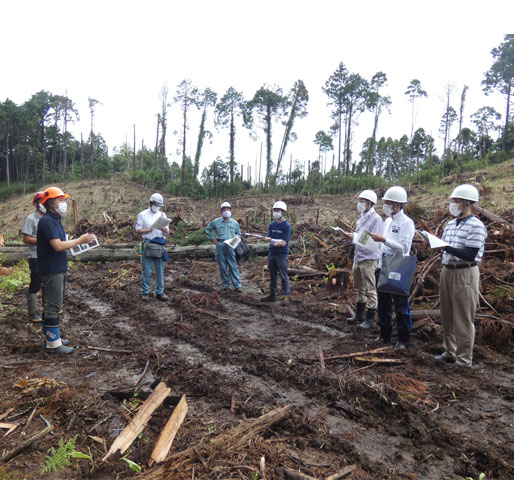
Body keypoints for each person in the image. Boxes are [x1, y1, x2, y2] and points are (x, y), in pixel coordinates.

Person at [37, 187, 96, 354]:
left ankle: (52, 338)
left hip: (57, 267)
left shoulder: (55, 220)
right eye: (60, 200)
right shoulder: (47, 221)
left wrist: (77, 242)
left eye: (64, 200)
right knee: (53, 306)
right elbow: (57, 246)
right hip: (51, 269)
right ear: (50, 203)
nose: (64, 203)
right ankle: (53, 344)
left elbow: (62, 242)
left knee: (53, 304)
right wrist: (80, 240)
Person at [434, 184, 487, 367]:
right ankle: (450, 351)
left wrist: (445, 247)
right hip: (447, 270)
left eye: (456, 201)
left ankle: (464, 358)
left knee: (463, 316)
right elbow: (447, 249)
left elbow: (470, 254)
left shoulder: (476, 226)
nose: (453, 205)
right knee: (447, 314)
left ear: (467, 203)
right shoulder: (450, 224)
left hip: (465, 272)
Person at [370, 186, 415, 349]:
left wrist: (384, 240)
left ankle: (403, 339)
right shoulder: (388, 221)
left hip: (398, 268)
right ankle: (384, 334)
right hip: (383, 266)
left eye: (389, 203)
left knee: (401, 305)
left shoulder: (407, 223)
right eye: (386, 203)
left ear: (398, 205)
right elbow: (384, 244)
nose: (386, 206)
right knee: (383, 303)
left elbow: (404, 248)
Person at [344, 190, 384, 328]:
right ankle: (359, 314)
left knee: (370, 289)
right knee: (359, 288)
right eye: (359, 200)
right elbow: (358, 239)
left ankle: (369, 318)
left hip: (369, 258)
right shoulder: (360, 218)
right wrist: (350, 238)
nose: (360, 203)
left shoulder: (376, 219)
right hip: (358, 257)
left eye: (363, 201)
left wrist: (355, 237)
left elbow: (374, 241)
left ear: (370, 203)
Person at [135, 193, 170, 301]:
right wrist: (148, 230)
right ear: (151, 203)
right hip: (148, 243)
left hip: (159, 245)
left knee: (160, 270)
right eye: (155, 204)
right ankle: (145, 292)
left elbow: (167, 232)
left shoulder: (163, 216)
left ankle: (160, 292)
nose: (157, 206)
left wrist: (165, 230)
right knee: (146, 270)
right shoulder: (142, 214)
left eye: (159, 205)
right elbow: (138, 229)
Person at [205, 202, 242, 292]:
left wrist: (236, 239)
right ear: (221, 211)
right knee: (222, 266)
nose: (226, 211)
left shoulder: (234, 222)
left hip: (230, 244)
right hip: (220, 244)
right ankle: (225, 285)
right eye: (224, 210)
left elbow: (239, 234)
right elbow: (207, 230)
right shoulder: (216, 222)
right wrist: (214, 240)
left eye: (228, 209)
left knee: (233, 265)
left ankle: (237, 286)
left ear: (230, 211)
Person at [21, 192, 46, 322]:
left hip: (48, 255)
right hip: (35, 255)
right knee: (36, 282)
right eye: (40, 201)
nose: (43, 204)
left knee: (47, 282)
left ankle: (48, 309)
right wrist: (43, 240)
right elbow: (26, 239)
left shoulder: (50, 218)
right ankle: (33, 311)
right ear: (35, 204)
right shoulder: (31, 219)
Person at [261, 201, 291, 305]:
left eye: (277, 211)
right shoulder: (271, 225)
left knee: (283, 275)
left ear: (283, 212)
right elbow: (269, 238)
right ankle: (272, 294)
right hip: (272, 253)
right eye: (274, 210)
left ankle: (286, 296)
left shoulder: (286, 226)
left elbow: (284, 242)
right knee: (272, 275)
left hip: (282, 254)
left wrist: (276, 242)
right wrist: (267, 239)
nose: (276, 213)